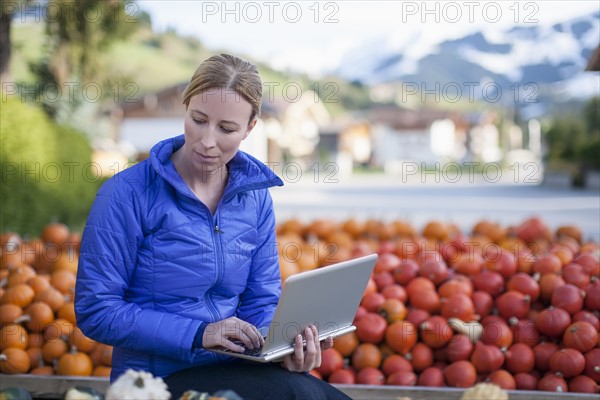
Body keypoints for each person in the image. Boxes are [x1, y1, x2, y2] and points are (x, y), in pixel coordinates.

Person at [75, 53, 352, 400]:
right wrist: (198, 333)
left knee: (320, 395)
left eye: (226, 129)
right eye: (199, 120)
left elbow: (261, 301)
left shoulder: (255, 199)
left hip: (235, 371)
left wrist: (284, 349)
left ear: (250, 128)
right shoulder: (126, 195)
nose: (207, 141)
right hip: (153, 383)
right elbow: (97, 310)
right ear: (185, 106)